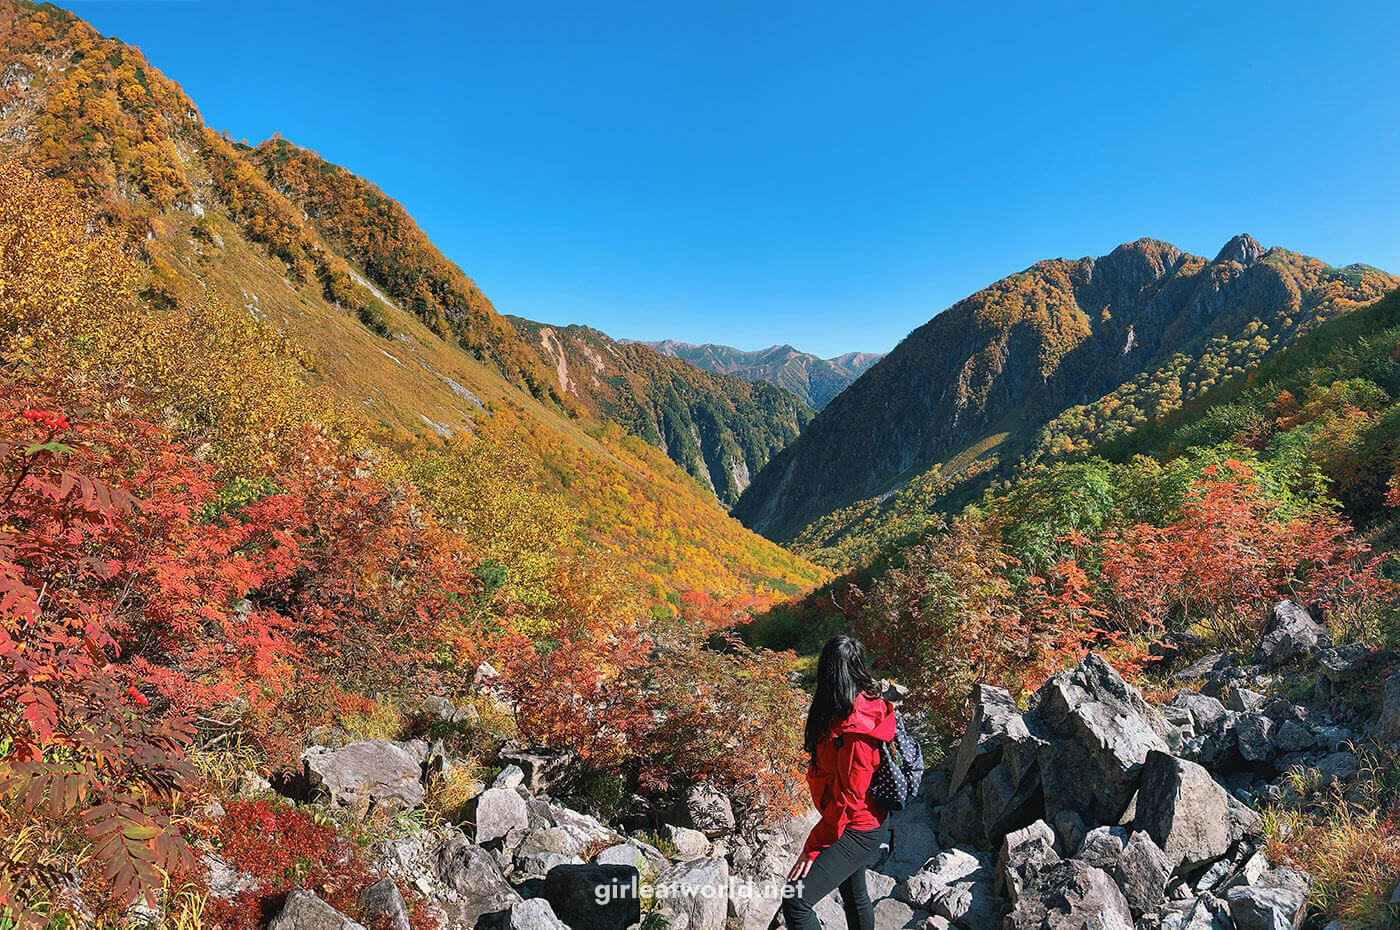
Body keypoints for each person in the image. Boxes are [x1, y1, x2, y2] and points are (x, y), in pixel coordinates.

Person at [780, 635, 896, 930]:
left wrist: (813, 847)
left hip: (859, 826)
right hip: (858, 821)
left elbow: (849, 799)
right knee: (854, 892)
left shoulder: (856, 728)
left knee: (796, 901)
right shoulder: (849, 706)